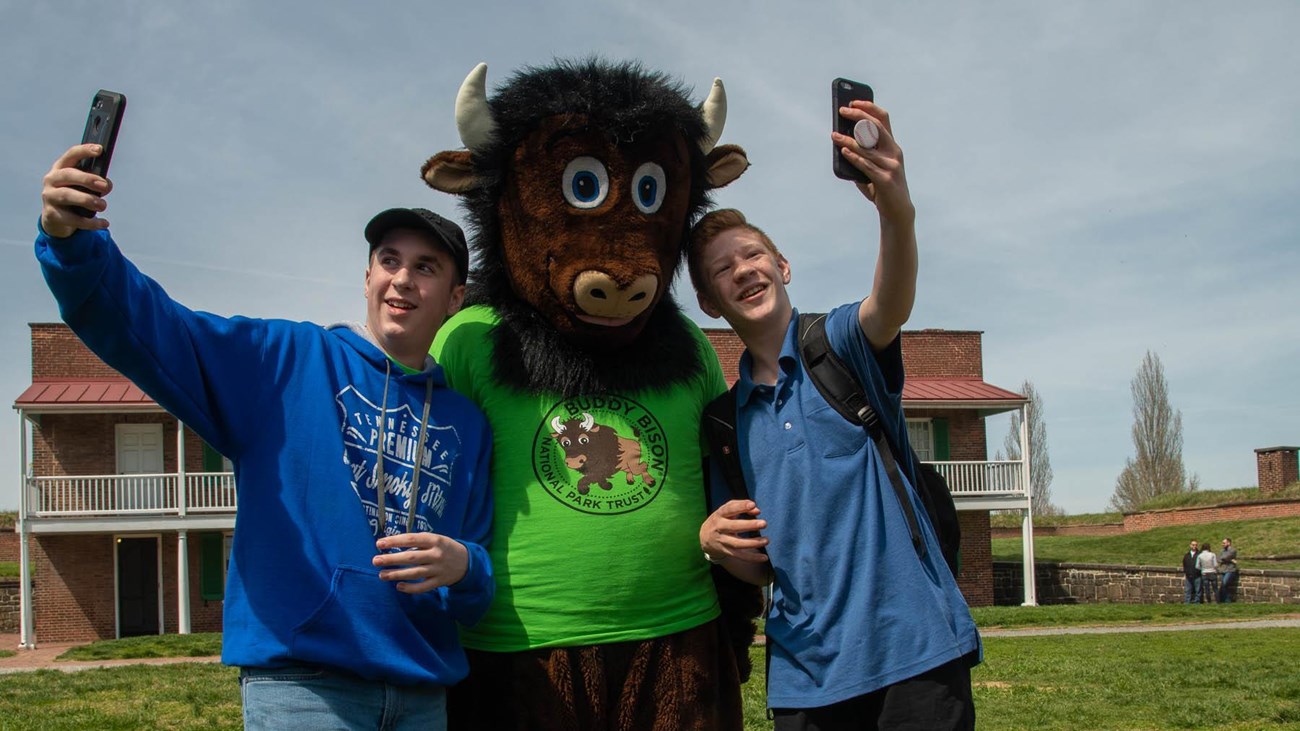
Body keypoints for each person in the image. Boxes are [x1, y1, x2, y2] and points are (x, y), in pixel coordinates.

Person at [37, 143, 494, 731]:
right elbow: (153, 330)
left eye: (427, 267)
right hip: (303, 690)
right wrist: (71, 242)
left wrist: (464, 567)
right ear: (367, 277)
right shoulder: (288, 360)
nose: (402, 279)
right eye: (389, 260)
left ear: (455, 298)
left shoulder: (467, 423)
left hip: (423, 695)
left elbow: (478, 582)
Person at [691, 100, 979, 730]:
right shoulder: (722, 424)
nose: (743, 270)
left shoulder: (839, 344)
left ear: (782, 266)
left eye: (753, 256)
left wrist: (895, 208)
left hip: (916, 651)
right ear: (712, 304)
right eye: (722, 271)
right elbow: (757, 561)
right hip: (804, 677)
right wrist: (713, 544)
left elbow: (891, 301)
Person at [1218, 537, 1239, 603]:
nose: (1222, 544)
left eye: (1224, 543)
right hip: (1223, 570)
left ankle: (1227, 600)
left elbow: (1226, 557)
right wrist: (1231, 560)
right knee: (1223, 586)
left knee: (1224, 584)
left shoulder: (1233, 550)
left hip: (1230, 570)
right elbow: (1218, 559)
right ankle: (1224, 600)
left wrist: (1226, 559)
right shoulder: (1222, 551)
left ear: (1229, 543)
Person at [1182, 539, 1202, 604]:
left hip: (1197, 575)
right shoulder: (1187, 555)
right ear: (1190, 545)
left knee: (1198, 590)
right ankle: (1187, 602)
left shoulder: (1199, 554)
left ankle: (1197, 602)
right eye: (1193, 545)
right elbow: (1184, 564)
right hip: (1189, 575)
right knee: (1187, 590)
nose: (1194, 546)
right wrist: (1186, 572)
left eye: (1196, 545)